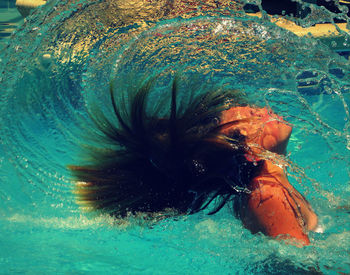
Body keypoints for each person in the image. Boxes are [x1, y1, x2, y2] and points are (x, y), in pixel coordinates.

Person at [69, 76, 318, 246]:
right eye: (255, 117)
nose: (263, 110)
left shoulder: (270, 186)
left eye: (253, 109)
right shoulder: (268, 195)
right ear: (249, 153)